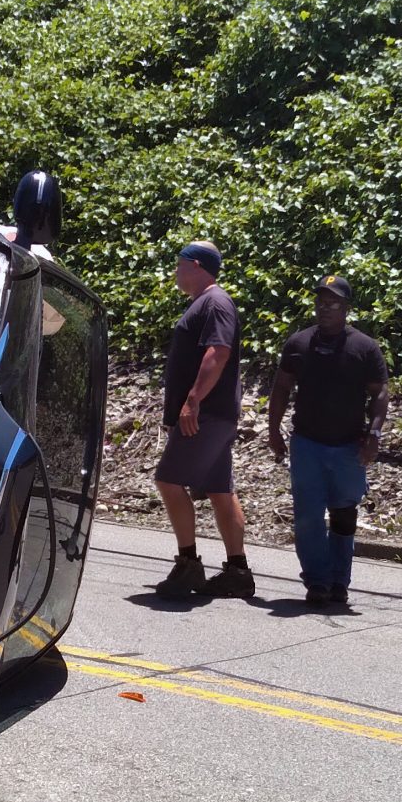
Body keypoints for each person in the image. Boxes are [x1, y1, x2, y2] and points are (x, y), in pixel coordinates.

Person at [267, 274, 390, 606]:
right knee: (308, 517)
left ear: (346, 308)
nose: (325, 308)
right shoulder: (299, 344)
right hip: (307, 444)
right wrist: (274, 429)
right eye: (321, 302)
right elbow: (281, 387)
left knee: (343, 515)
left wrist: (374, 435)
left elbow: (380, 394)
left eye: (333, 303)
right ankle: (317, 581)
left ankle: (339, 581)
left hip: (349, 446)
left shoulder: (364, 348)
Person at [152, 240, 254, 599]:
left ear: (195, 265)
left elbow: (219, 352)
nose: (175, 270)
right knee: (220, 490)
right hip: (214, 414)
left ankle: (188, 565)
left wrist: (193, 401)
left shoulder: (215, 302)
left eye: (179, 263)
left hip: (205, 414)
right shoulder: (206, 302)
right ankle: (237, 571)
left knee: (168, 480)